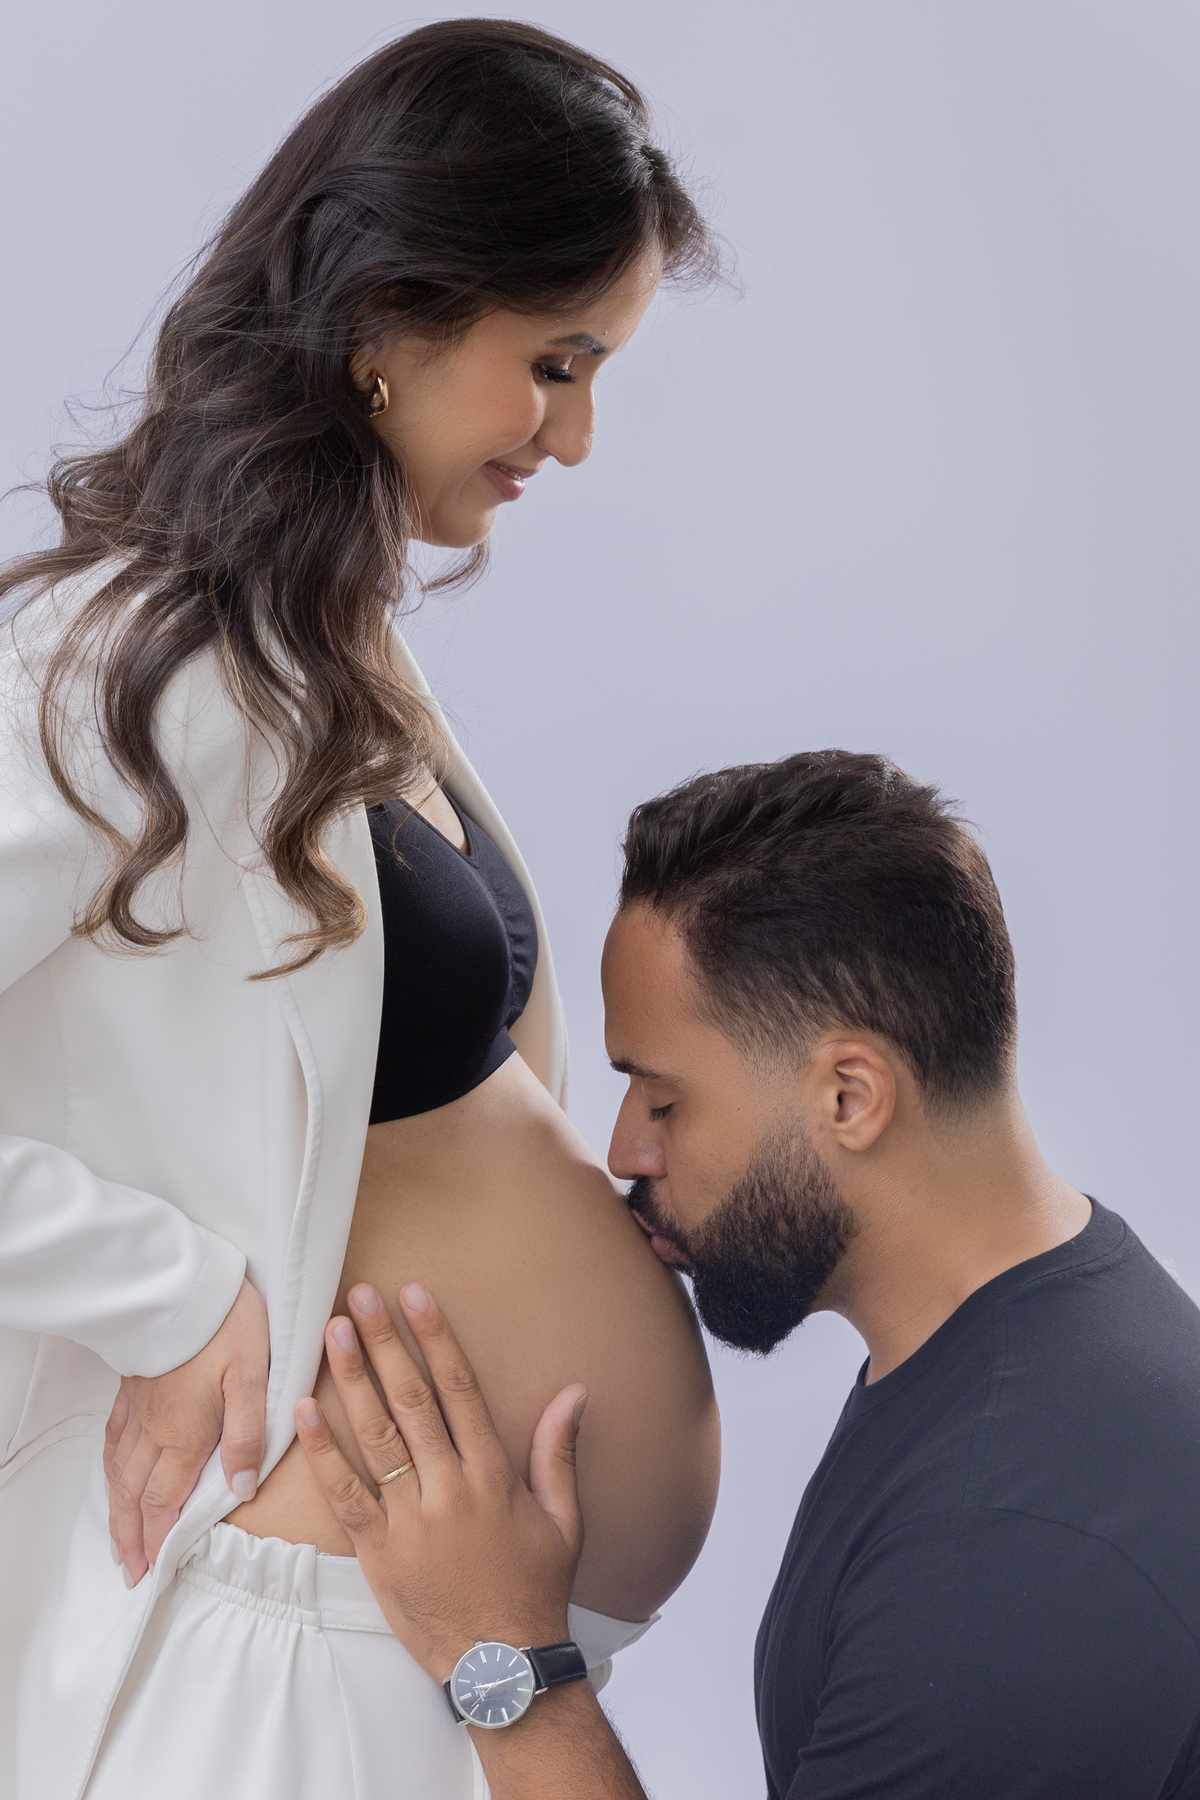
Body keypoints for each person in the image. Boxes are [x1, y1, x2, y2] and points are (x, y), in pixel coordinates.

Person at [0, 23, 722, 1800]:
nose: (577, 432)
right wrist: (165, 1297)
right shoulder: (134, 656)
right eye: (552, 361)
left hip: (417, 1658)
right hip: (277, 1669)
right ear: (386, 316)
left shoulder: (332, 640)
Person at [294, 751, 1200, 1800]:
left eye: (665, 1101)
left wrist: (502, 1654)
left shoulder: (1016, 1549)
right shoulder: (1043, 1350)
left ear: (850, 1098)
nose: (626, 1149)